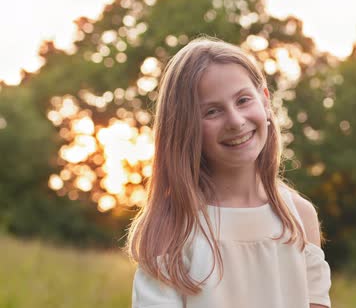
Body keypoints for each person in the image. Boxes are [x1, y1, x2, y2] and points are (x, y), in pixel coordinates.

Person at [126, 37, 331, 308]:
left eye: (243, 100)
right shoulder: (172, 228)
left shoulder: (300, 217)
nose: (235, 120)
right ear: (186, 128)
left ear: (266, 101)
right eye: (212, 111)